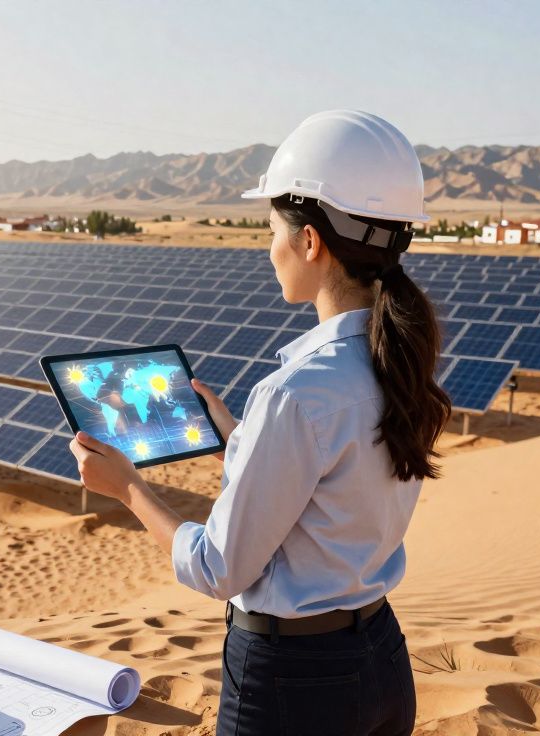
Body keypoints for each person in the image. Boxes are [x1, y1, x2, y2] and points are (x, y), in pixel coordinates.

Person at [68, 109, 452, 736]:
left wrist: (128, 488)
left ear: (310, 241)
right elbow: (328, 490)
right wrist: (241, 442)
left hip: (293, 683)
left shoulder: (295, 394)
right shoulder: (396, 363)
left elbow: (218, 570)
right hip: (381, 662)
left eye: (272, 227)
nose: (268, 247)